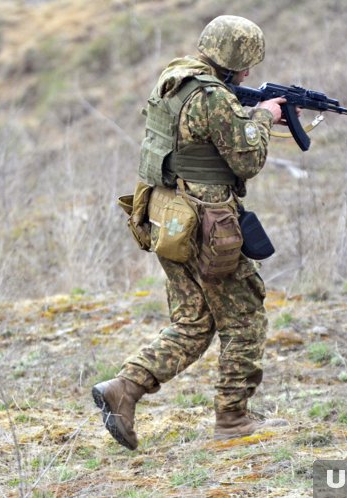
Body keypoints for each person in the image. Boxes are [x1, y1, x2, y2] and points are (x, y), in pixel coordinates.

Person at [92, 15, 290, 449]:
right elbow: (246, 160)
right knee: (244, 319)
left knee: (195, 322)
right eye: (247, 64)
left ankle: (123, 389)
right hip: (207, 228)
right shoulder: (212, 97)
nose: (250, 73)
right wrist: (262, 117)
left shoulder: (174, 78)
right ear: (235, 61)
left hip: (169, 218)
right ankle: (233, 419)